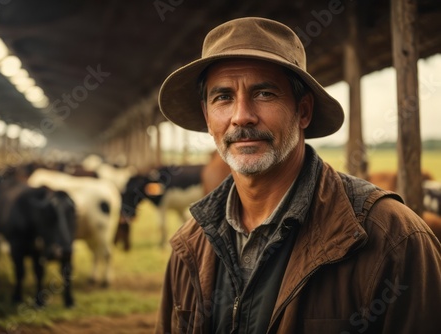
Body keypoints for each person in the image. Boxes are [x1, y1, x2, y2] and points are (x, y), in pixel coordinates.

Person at [155, 17, 441, 334]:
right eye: (223, 97)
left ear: (303, 111)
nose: (241, 117)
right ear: (208, 119)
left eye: (264, 93)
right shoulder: (190, 245)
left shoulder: (393, 239)